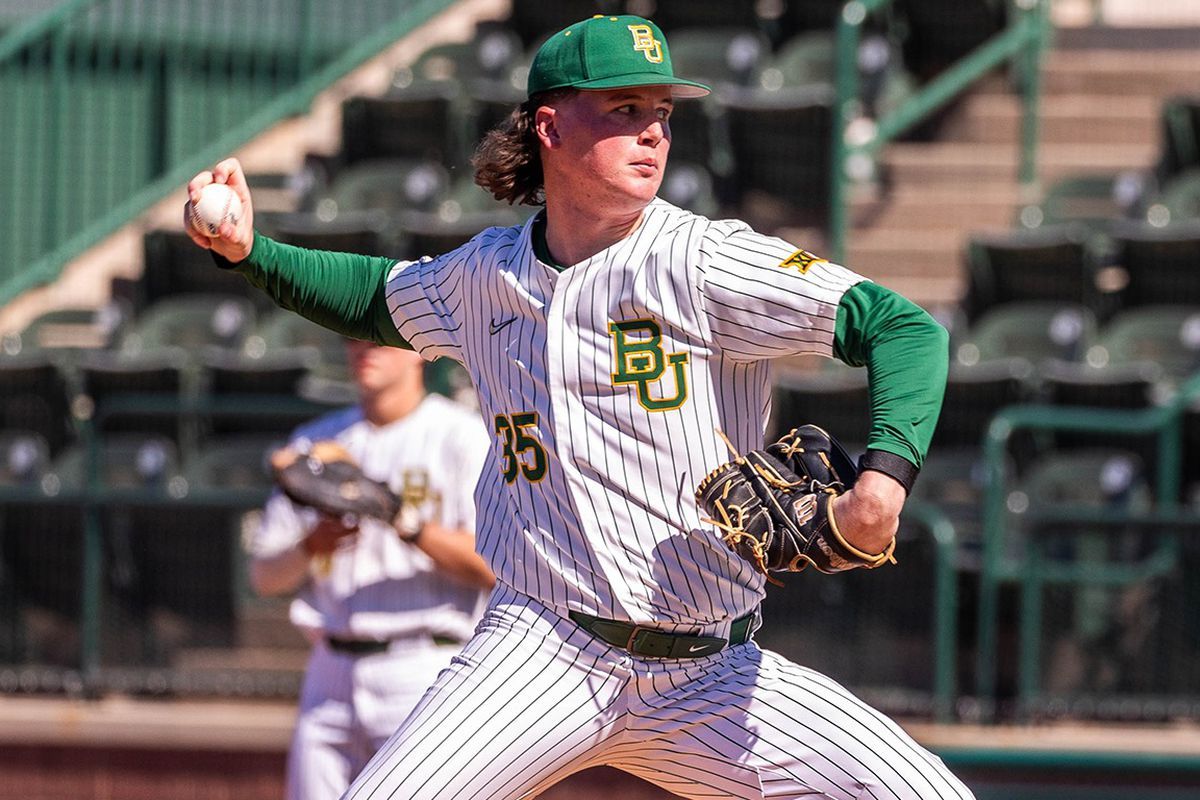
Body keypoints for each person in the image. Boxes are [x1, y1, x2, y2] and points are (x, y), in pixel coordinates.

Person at [186, 14, 973, 799]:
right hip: (542, 650)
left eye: (662, 113)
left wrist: (880, 486)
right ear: (550, 127)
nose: (654, 134)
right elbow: (372, 298)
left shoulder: (704, 259)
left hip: (712, 673)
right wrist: (250, 254)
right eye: (625, 111)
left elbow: (901, 327)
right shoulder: (482, 277)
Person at [248, 336, 493, 800]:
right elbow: (263, 577)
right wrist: (309, 545)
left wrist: (402, 519)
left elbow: (498, 565)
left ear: (422, 351)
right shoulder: (317, 443)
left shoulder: (462, 436)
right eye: (353, 340)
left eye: (379, 340)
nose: (364, 350)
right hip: (330, 669)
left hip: (425, 663)